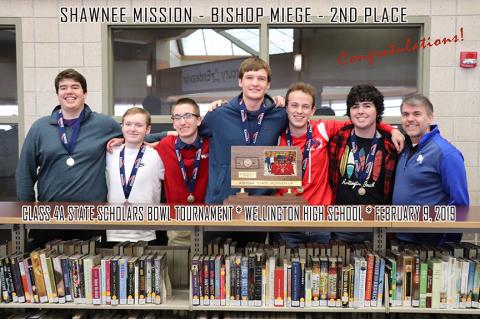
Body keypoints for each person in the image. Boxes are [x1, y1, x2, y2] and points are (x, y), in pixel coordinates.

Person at [276, 83, 402, 245]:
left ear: (313, 110)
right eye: (294, 105)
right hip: (286, 222)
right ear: (286, 108)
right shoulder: (275, 135)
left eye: (305, 106)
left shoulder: (323, 128)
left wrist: (392, 129)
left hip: (321, 221)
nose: (299, 111)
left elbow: (361, 121)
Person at [16, 69, 122, 247]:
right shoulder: (40, 128)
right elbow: (24, 172)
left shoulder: (104, 124)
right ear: (58, 94)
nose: (69, 91)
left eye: (75, 87)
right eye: (63, 88)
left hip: (92, 217)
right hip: (50, 216)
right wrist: (27, 213)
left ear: (84, 93)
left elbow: (137, 137)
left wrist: (125, 138)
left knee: (90, 273)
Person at [200, 57, 288, 204]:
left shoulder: (279, 115)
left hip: (262, 205)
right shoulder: (218, 114)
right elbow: (189, 134)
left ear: (268, 85)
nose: (255, 83)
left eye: (261, 79)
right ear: (240, 82)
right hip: (221, 203)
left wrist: (283, 102)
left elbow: (304, 127)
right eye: (249, 77)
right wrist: (155, 138)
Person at [393, 93, 469, 244]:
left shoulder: (446, 153)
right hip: (401, 238)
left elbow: (459, 205)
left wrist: (447, 246)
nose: (410, 119)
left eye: (417, 114)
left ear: (430, 118)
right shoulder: (404, 148)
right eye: (405, 114)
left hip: (431, 244)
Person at [329, 84, 400, 243]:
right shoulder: (337, 139)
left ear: (377, 111)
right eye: (355, 107)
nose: (360, 111)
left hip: (377, 227)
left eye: (367, 106)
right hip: (341, 226)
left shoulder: (391, 146)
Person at [155, 98, 209, 246]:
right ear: (173, 123)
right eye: (177, 117)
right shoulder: (165, 145)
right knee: (178, 266)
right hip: (178, 222)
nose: (182, 122)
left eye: (187, 116)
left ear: (199, 120)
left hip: (209, 220)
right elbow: (138, 138)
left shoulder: (211, 145)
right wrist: (119, 140)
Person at [105, 107, 163, 243]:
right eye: (128, 124)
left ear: (148, 130)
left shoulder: (156, 154)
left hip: (146, 231)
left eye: (139, 125)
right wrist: (120, 140)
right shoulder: (110, 152)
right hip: (113, 230)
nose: (132, 129)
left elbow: (178, 137)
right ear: (122, 127)